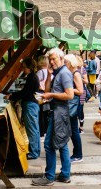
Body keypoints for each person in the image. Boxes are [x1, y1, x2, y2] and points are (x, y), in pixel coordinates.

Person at [32, 49, 74, 186]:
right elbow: (47, 90)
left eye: (54, 59)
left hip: (59, 113)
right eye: (50, 59)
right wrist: (49, 76)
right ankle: (65, 175)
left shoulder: (65, 73)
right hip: (57, 112)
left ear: (61, 59)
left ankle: (49, 176)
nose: (51, 61)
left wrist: (51, 96)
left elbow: (70, 95)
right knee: (62, 144)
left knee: (49, 145)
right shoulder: (58, 73)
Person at [6, 57, 40, 160]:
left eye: (24, 67)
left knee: (31, 129)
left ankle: (34, 152)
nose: (23, 69)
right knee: (35, 129)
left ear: (29, 67)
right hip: (32, 104)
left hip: (29, 104)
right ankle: (35, 150)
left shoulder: (31, 77)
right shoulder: (33, 76)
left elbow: (26, 93)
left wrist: (12, 96)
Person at [64, 54, 84, 163]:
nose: (64, 64)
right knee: (72, 130)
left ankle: (78, 154)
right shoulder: (71, 73)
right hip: (70, 104)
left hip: (72, 104)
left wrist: (68, 89)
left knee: (74, 131)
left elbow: (80, 91)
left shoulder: (76, 74)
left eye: (66, 62)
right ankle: (76, 153)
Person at [36, 55, 50, 137]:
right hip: (47, 93)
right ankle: (46, 130)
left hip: (40, 94)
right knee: (46, 113)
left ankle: (41, 131)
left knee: (41, 114)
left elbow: (36, 84)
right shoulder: (49, 71)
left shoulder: (40, 72)